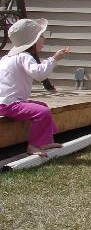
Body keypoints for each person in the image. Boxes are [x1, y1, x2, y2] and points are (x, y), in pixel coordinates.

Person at [0, 18, 70, 156]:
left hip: (6, 102)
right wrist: (54, 59)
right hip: (10, 104)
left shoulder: (7, 58)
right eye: (41, 36)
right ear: (33, 41)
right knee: (42, 112)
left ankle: (45, 140)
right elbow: (39, 74)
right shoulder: (24, 56)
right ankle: (34, 145)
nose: (44, 39)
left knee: (42, 106)